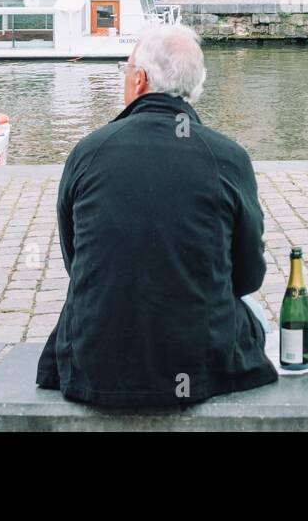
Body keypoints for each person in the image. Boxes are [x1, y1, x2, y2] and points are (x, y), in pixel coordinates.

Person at [37, 24, 277, 407]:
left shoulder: (89, 152)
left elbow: (76, 262)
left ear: (140, 81)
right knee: (259, 318)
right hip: (198, 362)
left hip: (94, 363)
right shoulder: (228, 157)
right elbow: (248, 276)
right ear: (194, 88)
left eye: (126, 69)